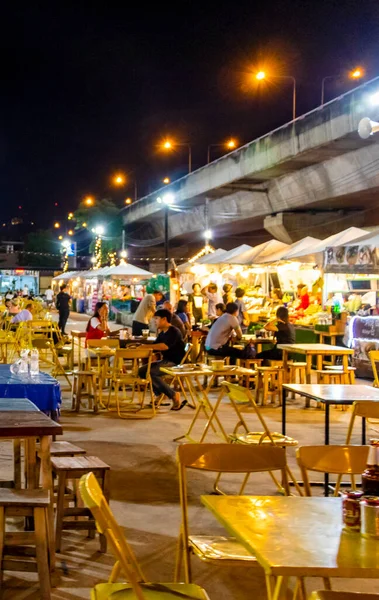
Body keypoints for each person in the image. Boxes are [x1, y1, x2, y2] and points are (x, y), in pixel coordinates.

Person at [137, 309, 186, 410]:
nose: (155, 321)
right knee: (142, 371)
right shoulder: (162, 333)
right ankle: (160, 394)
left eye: (156, 319)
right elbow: (155, 346)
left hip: (175, 362)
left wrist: (145, 347)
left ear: (164, 319)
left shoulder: (174, 331)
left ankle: (173, 395)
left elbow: (164, 346)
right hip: (166, 361)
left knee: (152, 372)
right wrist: (142, 348)